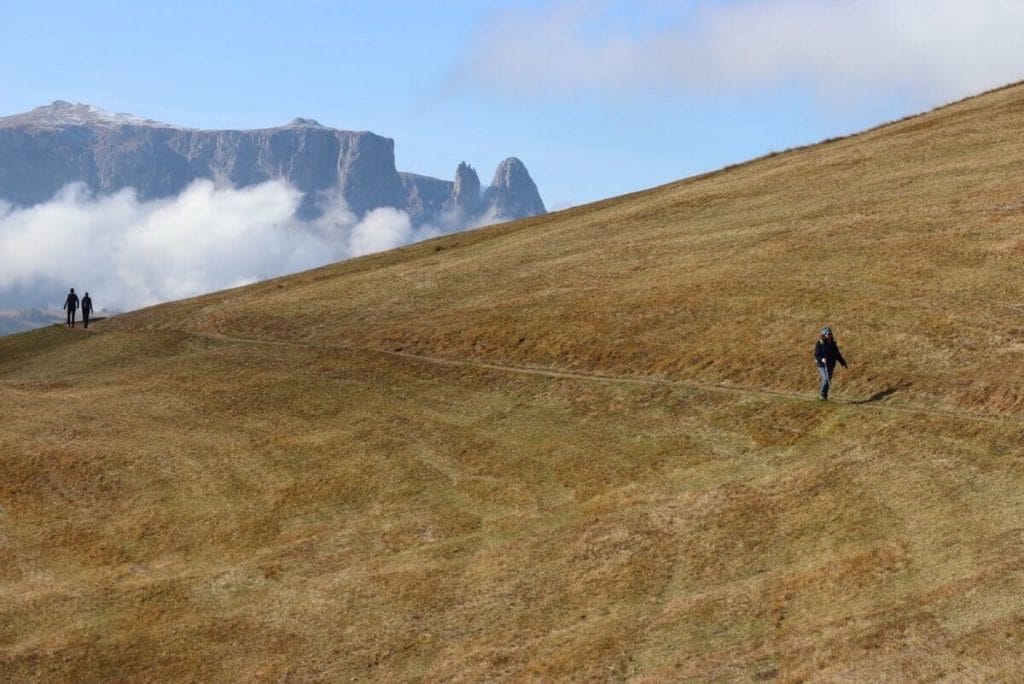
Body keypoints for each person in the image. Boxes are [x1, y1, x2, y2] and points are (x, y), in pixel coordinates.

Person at [814, 326, 847, 400]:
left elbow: (837, 354)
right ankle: (822, 394)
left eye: (830, 333)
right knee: (826, 379)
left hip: (831, 364)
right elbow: (816, 354)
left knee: (828, 380)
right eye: (828, 334)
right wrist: (822, 359)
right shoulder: (820, 343)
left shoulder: (833, 343)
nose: (830, 335)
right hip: (822, 365)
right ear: (824, 335)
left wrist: (843, 362)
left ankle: (824, 396)